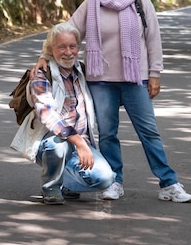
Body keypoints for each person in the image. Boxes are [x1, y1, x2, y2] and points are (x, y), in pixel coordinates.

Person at [36, 0, 191, 203]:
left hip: (136, 78)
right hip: (101, 80)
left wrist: (154, 74)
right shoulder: (91, 3)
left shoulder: (139, 0)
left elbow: (153, 39)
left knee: (149, 131)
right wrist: (44, 56)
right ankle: (115, 181)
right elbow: (65, 32)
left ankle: (169, 183)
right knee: (108, 133)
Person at [11, 22, 115, 205]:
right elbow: (49, 116)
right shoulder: (42, 75)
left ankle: (68, 183)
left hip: (80, 142)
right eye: (61, 47)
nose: (68, 52)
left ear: (78, 47)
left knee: (105, 179)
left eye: (72, 46)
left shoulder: (81, 70)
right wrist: (80, 143)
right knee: (57, 145)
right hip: (51, 141)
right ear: (51, 49)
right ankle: (51, 187)